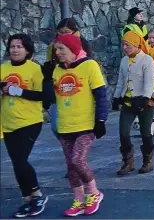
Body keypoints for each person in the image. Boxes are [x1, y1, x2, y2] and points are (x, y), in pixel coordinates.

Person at [49, 34, 108, 217]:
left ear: (73, 49)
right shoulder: (57, 70)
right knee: (70, 165)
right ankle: (79, 200)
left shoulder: (89, 65)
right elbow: (55, 98)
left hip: (85, 125)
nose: (57, 53)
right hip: (65, 125)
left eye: (61, 49)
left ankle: (93, 193)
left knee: (78, 160)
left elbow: (101, 95)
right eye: (56, 49)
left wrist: (100, 120)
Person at [2, 34, 48, 218]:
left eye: (19, 46)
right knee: (16, 163)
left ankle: (37, 196)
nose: (15, 50)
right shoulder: (3, 68)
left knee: (21, 160)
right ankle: (27, 200)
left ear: (27, 50)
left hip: (29, 122)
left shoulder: (35, 69)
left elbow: (43, 96)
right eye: (12, 46)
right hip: (8, 122)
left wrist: (18, 91)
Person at [111, 31, 154, 175]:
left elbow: (149, 83)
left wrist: (144, 99)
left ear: (136, 45)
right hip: (128, 103)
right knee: (123, 133)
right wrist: (116, 97)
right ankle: (128, 162)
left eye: (127, 45)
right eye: (123, 45)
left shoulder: (146, 60)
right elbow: (120, 81)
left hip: (144, 102)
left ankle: (147, 161)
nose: (124, 48)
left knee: (145, 133)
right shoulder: (124, 61)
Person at [42, 18, 93, 138]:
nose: (63, 34)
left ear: (74, 31)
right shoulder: (54, 46)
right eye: (60, 32)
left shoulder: (83, 45)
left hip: (78, 90)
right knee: (55, 126)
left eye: (67, 31)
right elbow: (49, 68)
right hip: (60, 89)